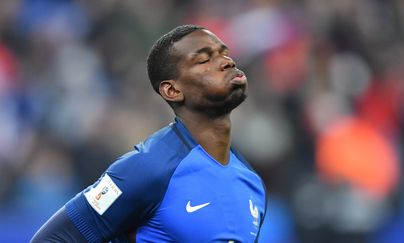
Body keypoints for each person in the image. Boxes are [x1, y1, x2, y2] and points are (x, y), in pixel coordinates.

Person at [31, 24, 267, 243]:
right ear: (173, 90)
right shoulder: (147, 168)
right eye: (205, 59)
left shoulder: (251, 181)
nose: (226, 61)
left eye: (225, 53)